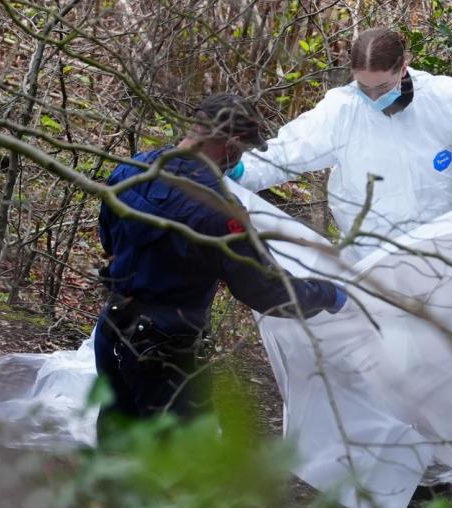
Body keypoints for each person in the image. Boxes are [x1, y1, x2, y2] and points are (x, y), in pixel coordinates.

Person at [95, 93, 347, 446]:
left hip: (112, 331)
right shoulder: (218, 211)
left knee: (116, 439)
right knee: (179, 461)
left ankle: (106, 500)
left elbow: (107, 236)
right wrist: (328, 293)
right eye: (242, 150)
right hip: (164, 356)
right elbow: (267, 290)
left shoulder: (134, 169)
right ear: (230, 145)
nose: (239, 160)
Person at [226, 27, 452, 259]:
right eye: (364, 87)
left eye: (382, 87)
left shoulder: (441, 98)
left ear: (404, 66)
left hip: (439, 254)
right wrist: (240, 170)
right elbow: (287, 151)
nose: (373, 96)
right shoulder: (342, 110)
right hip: (370, 263)